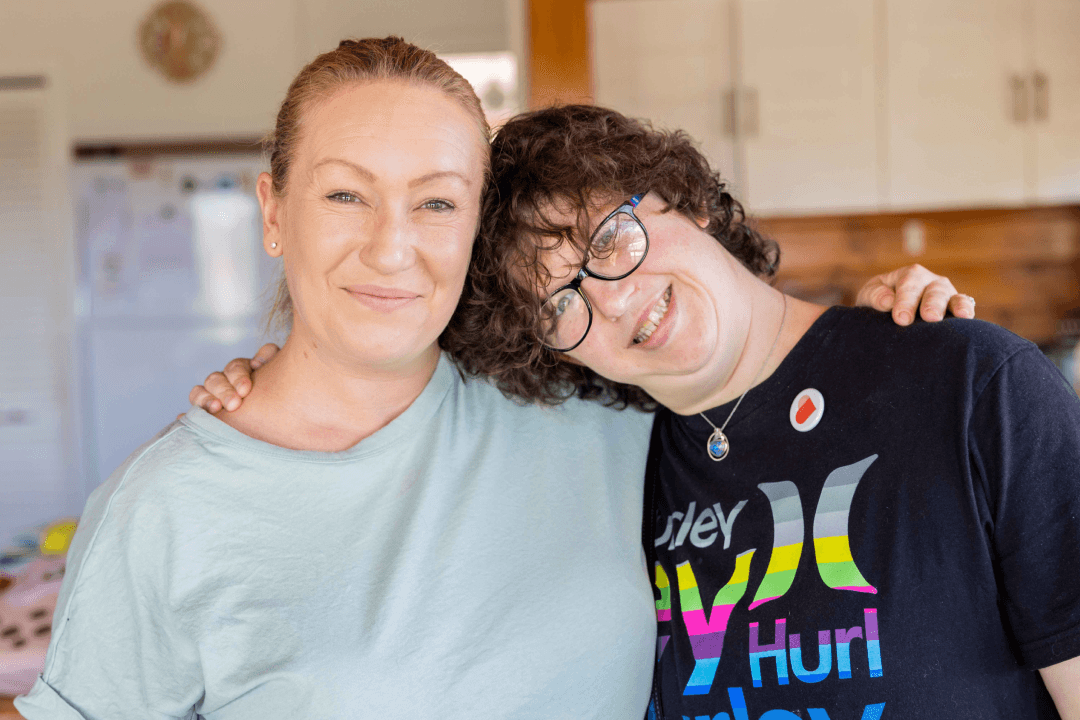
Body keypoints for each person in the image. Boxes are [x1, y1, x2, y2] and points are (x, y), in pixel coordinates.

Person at [69, 39, 965, 720]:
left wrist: (873, 335)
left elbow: (742, 356)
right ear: (273, 208)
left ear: (474, 235)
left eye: (437, 202)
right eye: (345, 194)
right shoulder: (166, 510)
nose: (392, 244)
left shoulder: (588, 402)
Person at [198, 103, 1080, 719]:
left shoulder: (967, 384)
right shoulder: (606, 458)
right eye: (559, 305)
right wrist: (270, 386)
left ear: (684, 198)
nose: (612, 303)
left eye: (611, 239)